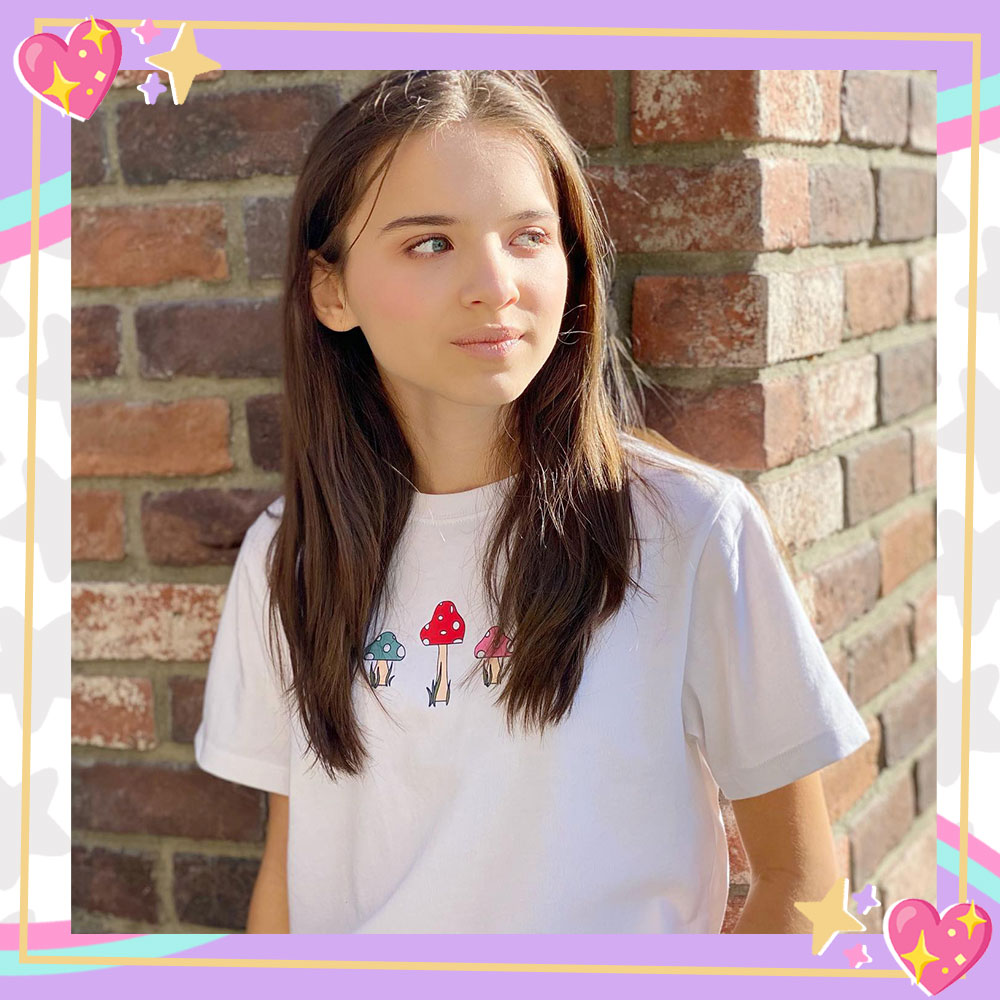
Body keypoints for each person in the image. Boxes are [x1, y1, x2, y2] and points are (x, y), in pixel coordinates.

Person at [193, 69, 869, 935]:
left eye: (527, 236)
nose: (495, 283)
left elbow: (804, 888)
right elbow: (291, 877)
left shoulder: (689, 531)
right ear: (332, 291)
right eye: (429, 243)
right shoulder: (288, 555)